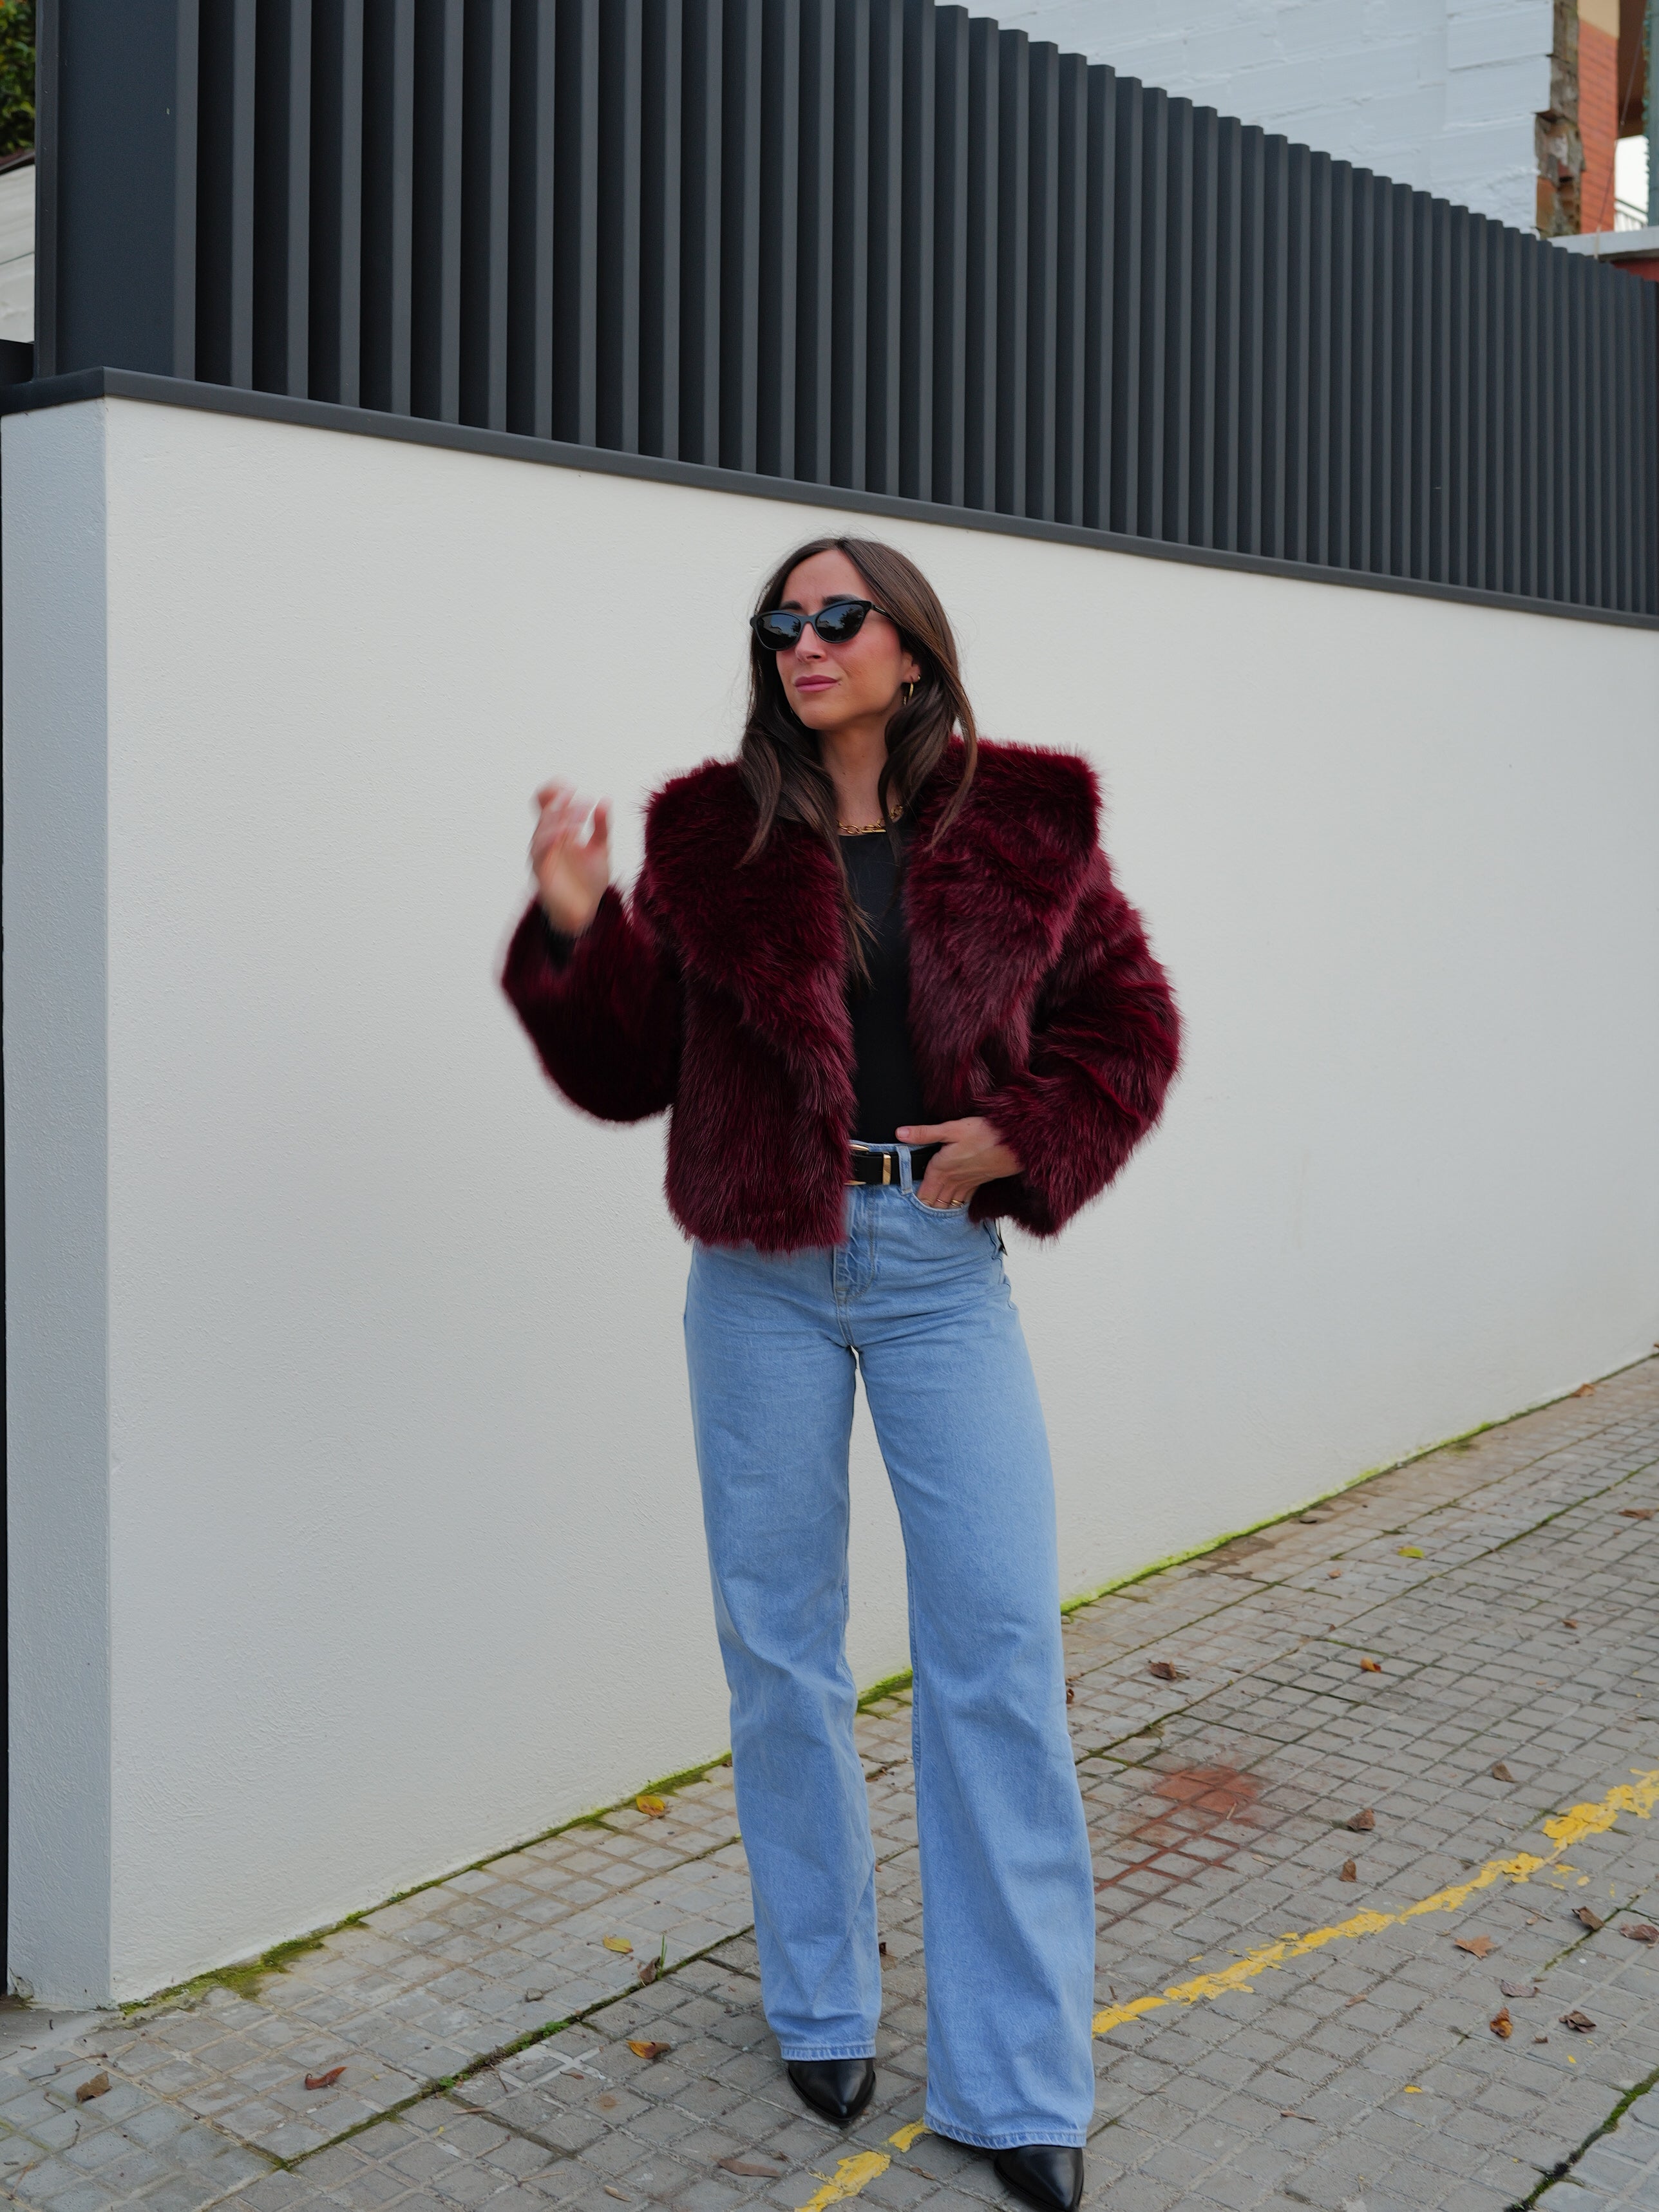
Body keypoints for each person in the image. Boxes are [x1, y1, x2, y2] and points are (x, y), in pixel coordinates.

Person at [502, 536, 1179, 2212]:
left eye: (834, 614)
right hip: (761, 1276)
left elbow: (1130, 1024)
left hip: (941, 1274)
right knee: (780, 1642)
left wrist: (1016, 1137)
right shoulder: (710, 839)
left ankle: (1017, 2080)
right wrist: (577, 924)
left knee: (999, 1651)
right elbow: (631, 1066)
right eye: (779, 621)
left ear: (911, 645)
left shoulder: (1025, 823)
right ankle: (820, 1994)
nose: (801, 640)